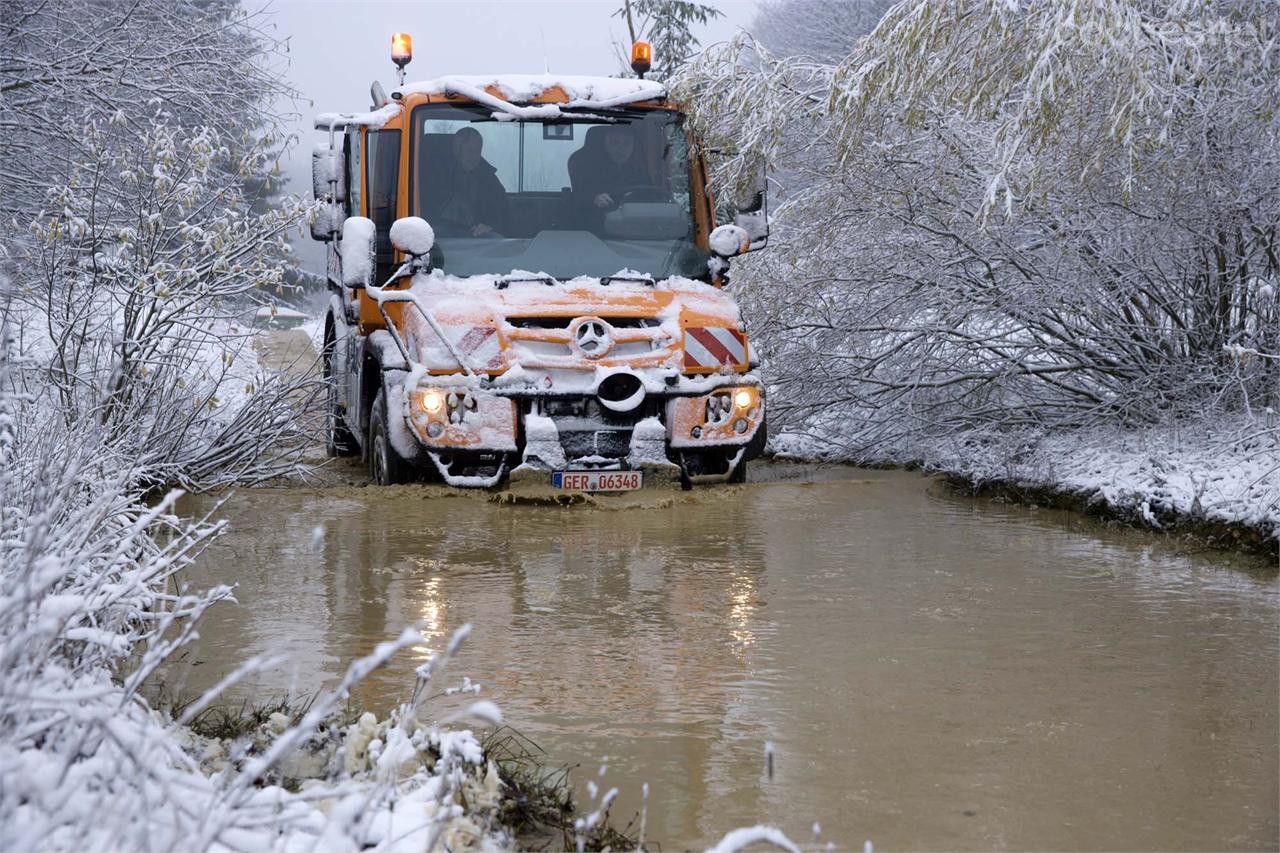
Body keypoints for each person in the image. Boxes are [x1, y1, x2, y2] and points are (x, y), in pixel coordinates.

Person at [568, 124, 657, 228]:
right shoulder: (585, 167)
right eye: (614, 143)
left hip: (636, 230)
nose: (620, 148)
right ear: (604, 144)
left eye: (626, 143)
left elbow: (652, 197)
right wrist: (594, 199)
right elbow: (578, 199)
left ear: (633, 146)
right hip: (593, 230)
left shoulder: (640, 170)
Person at [433, 127, 507, 237]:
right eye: (469, 151)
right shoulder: (436, 176)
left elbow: (502, 214)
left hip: (476, 237)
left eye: (477, 151)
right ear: (456, 150)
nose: (474, 156)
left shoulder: (489, 179)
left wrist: (490, 226)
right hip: (442, 235)